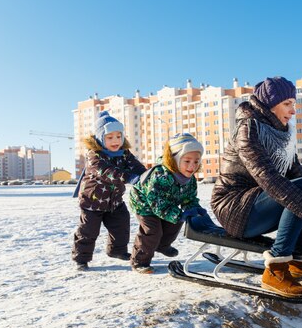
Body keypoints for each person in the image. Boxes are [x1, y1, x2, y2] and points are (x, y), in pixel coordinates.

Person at [211, 76, 302, 297]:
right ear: (270, 105)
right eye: (287, 104)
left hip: (257, 201)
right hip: (235, 209)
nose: (293, 110)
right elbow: (268, 178)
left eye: (294, 103)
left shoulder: (281, 135)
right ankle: (276, 269)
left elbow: (299, 175)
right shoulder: (248, 130)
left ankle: (297, 260)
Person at [73, 111, 146, 271]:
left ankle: (117, 251)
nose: (115, 141)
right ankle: (81, 258)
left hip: (114, 201)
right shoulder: (95, 156)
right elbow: (107, 172)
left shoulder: (124, 154)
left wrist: (146, 175)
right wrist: (129, 177)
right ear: (100, 139)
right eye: (110, 137)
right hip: (92, 201)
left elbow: (136, 166)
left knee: (121, 224)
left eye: (118, 136)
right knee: (88, 231)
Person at [129, 133, 207, 274]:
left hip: (166, 203)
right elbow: (157, 204)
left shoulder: (190, 179)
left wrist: (194, 208)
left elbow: (188, 198)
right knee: (152, 231)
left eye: (196, 161)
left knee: (175, 222)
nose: (192, 166)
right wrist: (179, 215)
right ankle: (139, 261)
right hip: (144, 203)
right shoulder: (161, 175)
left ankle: (162, 245)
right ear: (175, 160)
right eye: (187, 161)